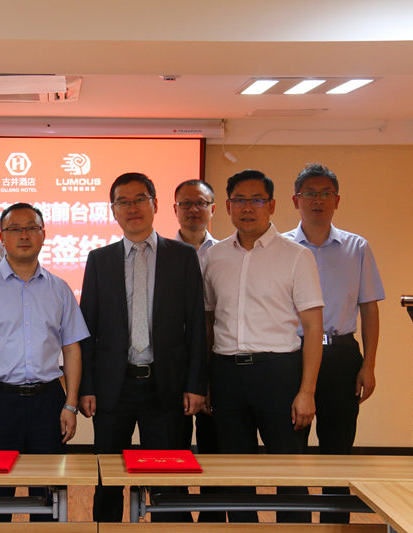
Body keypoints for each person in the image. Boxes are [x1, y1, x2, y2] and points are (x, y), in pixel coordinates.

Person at [79, 172, 207, 522]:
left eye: (140, 199)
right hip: (113, 388)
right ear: (113, 210)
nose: (132, 208)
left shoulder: (182, 256)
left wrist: (196, 385)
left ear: (155, 204)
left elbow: (196, 325)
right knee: (107, 480)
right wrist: (86, 387)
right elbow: (87, 329)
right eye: (123, 201)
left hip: (166, 387)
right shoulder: (99, 260)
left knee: (168, 479)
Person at [0, 202, 89, 522]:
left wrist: (70, 405)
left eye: (31, 228)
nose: (24, 235)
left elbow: (72, 349)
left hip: (47, 402)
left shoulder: (59, 288)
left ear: (44, 235)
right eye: (15, 229)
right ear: (2, 237)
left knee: (49, 498)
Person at [203, 169, 324, 523]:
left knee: (289, 472)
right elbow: (208, 322)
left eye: (256, 200)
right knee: (235, 475)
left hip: (279, 374)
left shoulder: (296, 256)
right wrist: (207, 379)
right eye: (239, 200)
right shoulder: (214, 256)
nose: (247, 208)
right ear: (228, 206)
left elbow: (313, 328)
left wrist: (307, 391)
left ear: (271, 205)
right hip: (226, 374)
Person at [284, 163, 385, 524]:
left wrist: (368, 365)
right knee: (290, 450)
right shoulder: (281, 247)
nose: (318, 200)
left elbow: (369, 309)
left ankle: (335, 526)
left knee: (338, 448)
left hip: (342, 355)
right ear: (296, 200)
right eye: (310, 193)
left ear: (337, 200)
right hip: (292, 354)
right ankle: (293, 527)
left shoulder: (357, 247)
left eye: (326, 193)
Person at [172, 178, 223, 523]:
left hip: (217, 362)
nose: (193, 210)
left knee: (214, 448)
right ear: (174, 209)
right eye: (186, 204)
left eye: (200, 203)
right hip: (173, 366)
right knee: (174, 447)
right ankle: (174, 518)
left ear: (213, 209)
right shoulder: (160, 253)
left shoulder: (226, 254)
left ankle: (212, 520)